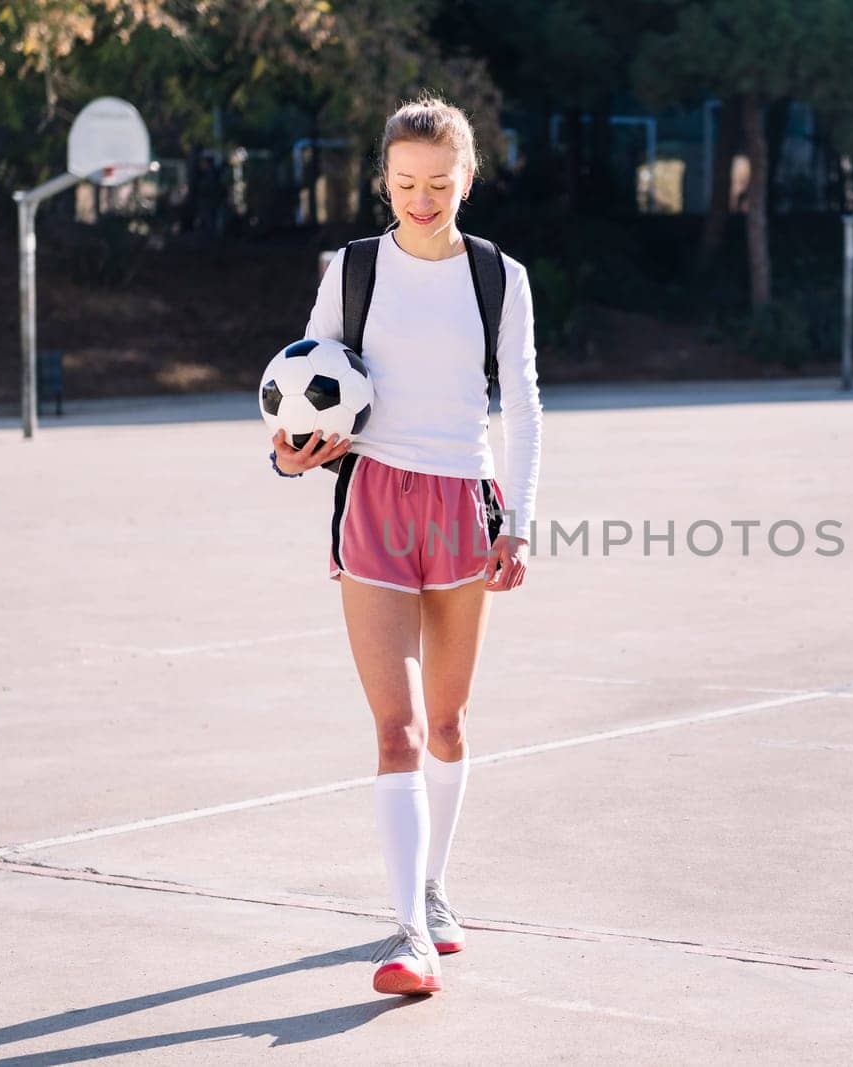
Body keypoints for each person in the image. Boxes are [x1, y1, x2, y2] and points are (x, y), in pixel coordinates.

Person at [267, 95, 543, 997]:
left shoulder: (500, 277)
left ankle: (432, 886)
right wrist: (289, 451)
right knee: (398, 729)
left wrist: (520, 520)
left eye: (438, 183)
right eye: (403, 183)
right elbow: (313, 383)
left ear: (468, 178)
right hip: (374, 501)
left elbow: (525, 404)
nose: (420, 199)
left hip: (464, 504)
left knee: (452, 724)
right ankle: (408, 935)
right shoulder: (353, 269)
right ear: (384, 180)